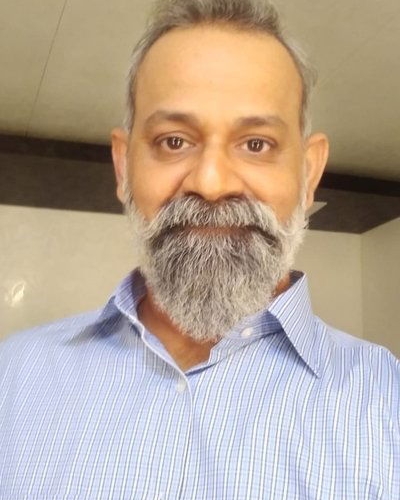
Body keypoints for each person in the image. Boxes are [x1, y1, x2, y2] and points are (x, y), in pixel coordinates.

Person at [0, 0, 399, 498]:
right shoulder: (12, 378)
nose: (211, 184)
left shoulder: (388, 404)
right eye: (174, 141)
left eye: (256, 144)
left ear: (308, 173)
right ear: (123, 168)